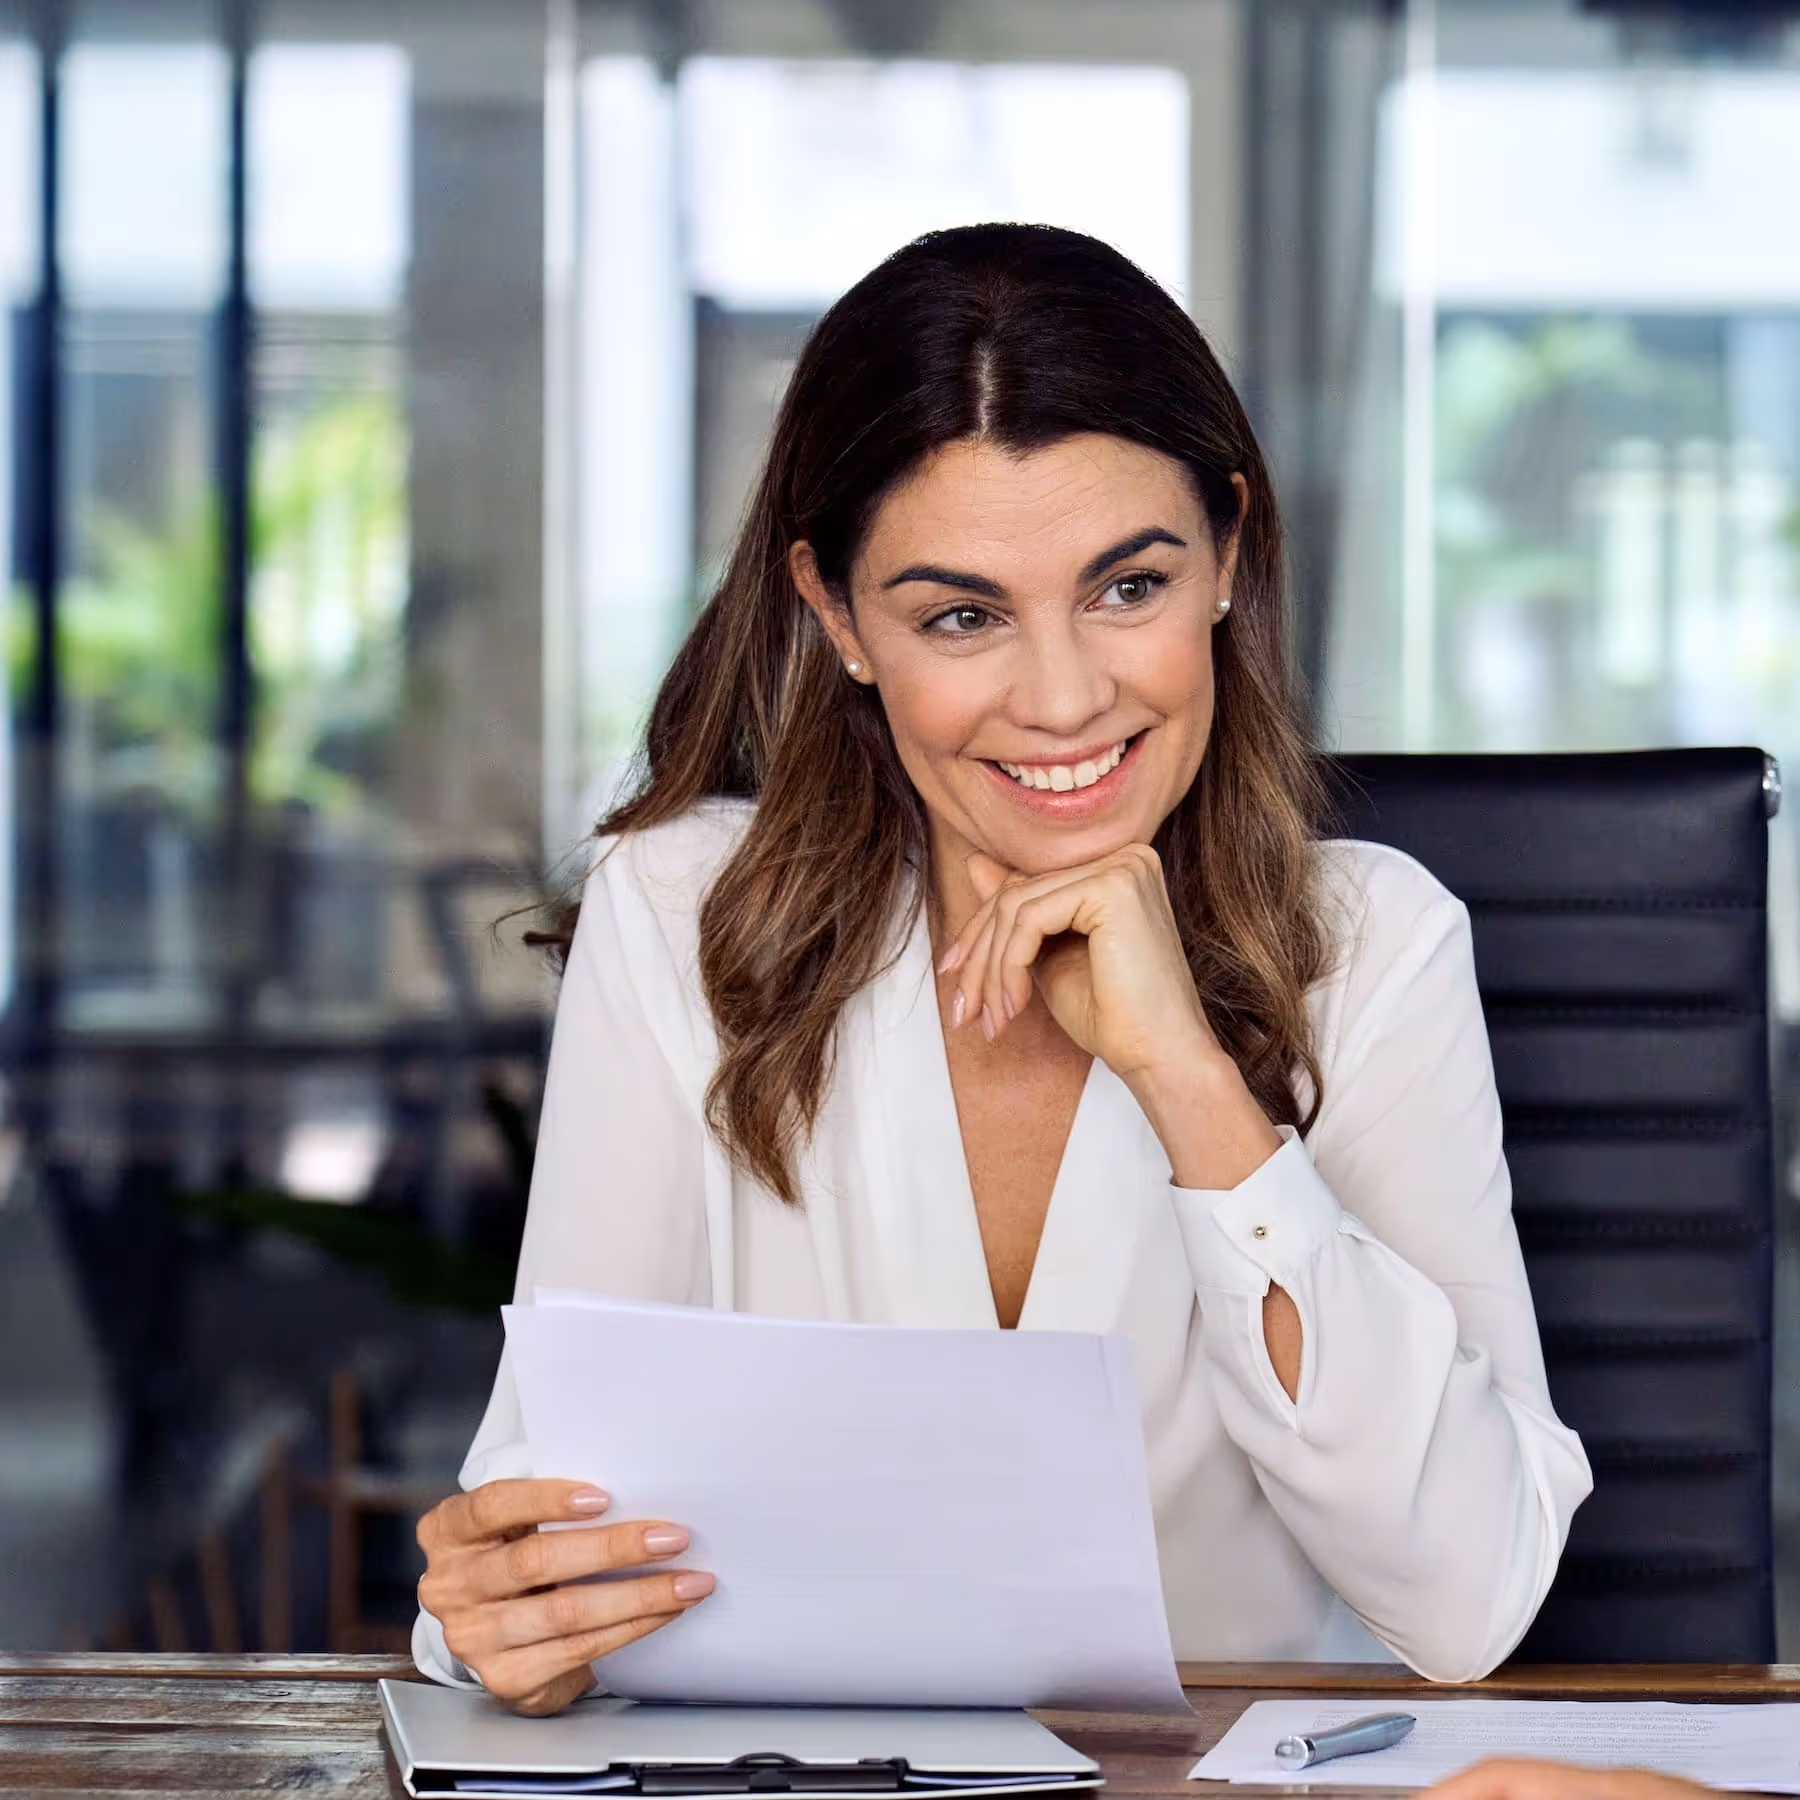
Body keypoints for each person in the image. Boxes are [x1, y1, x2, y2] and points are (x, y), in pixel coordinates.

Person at [411, 222, 1592, 1718]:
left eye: (1127, 588)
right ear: (837, 616)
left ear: (1227, 554)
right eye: (961, 615)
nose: (1063, 697)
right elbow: (543, 1511)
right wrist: (508, 1619)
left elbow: (1469, 1596)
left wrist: (1192, 1086)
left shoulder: (1374, 948)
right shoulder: (681, 920)